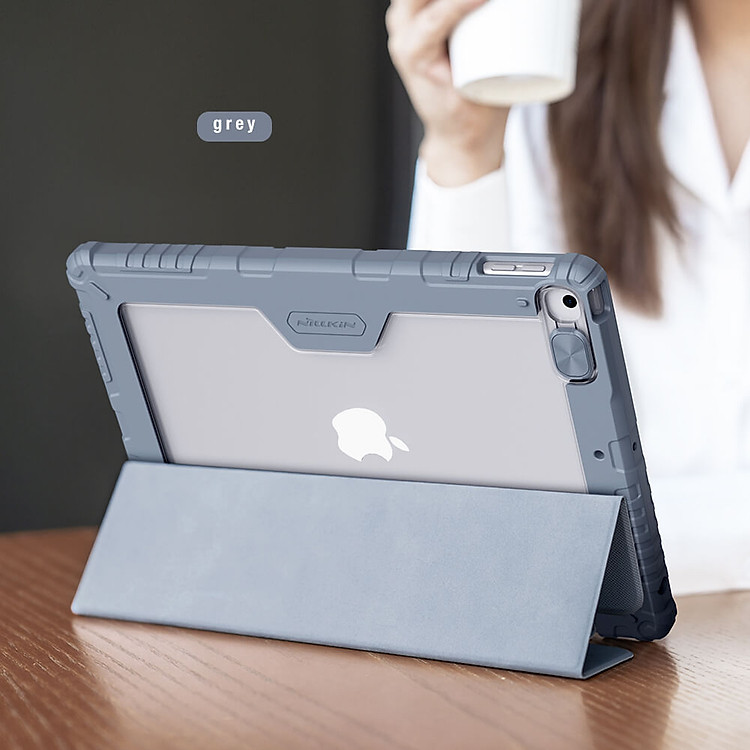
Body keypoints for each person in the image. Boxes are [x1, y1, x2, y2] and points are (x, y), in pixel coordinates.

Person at [387, 0, 750, 596]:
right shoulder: (545, 65)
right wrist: (463, 148)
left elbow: (531, 543)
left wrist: (588, 544)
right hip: (622, 639)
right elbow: (449, 478)